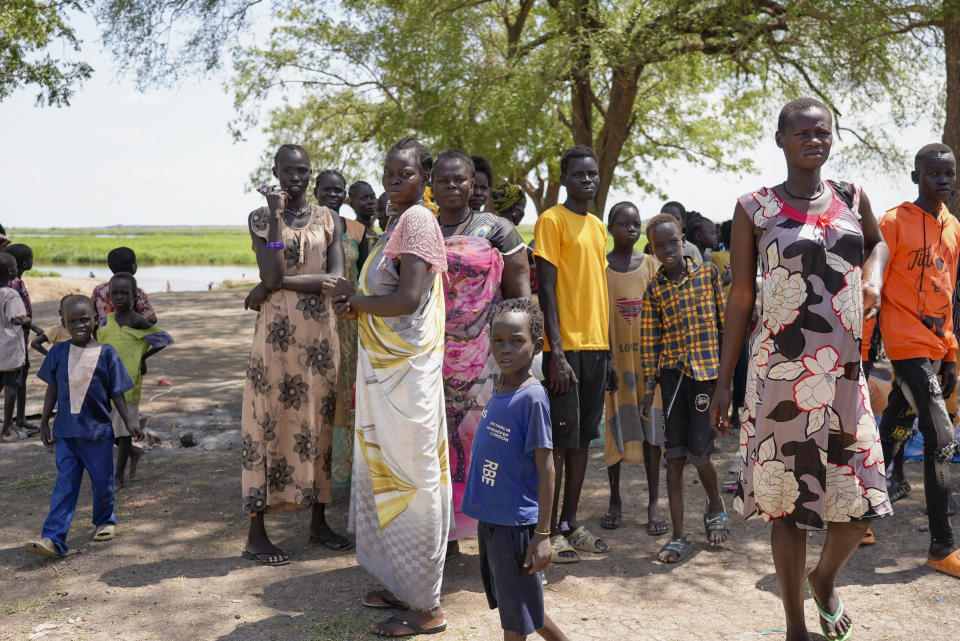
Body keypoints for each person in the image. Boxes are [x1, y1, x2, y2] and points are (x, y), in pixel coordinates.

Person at [708, 98, 892, 641]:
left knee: (859, 504)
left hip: (843, 374)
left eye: (824, 132)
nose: (815, 139)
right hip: (781, 377)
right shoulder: (754, 208)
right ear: (781, 139)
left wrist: (874, 276)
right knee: (787, 504)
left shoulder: (852, 197)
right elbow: (741, 298)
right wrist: (724, 382)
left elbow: (877, 245)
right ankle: (794, 629)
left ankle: (824, 579)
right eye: (803, 132)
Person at [322, 135, 449, 637]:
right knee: (392, 474)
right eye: (389, 173)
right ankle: (402, 584)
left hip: (406, 377)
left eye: (405, 174)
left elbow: (409, 299)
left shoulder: (418, 220)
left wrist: (354, 301)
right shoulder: (397, 222)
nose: (394, 181)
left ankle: (427, 606)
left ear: (424, 177)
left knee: (413, 481)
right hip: (388, 374)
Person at [240, 143, 347, 566]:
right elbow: (272, 272)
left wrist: (276, 285)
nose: (296, 178)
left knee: (318, 421)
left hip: (320, 336)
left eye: (303, 171)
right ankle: (256, 533)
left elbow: (336, 278)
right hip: (276, 335)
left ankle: (318, 520)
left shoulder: (329, 218)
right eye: (289, 171)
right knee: (266, 421)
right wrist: (277, 214)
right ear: (275, 172)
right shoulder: (261, 218)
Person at [432, 149, 530, 557]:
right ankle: (448, 539)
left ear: (473, 184)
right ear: (431, 186)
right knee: (438, 444)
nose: (452, 187)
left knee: (488, 443)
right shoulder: (421, 228)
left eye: (460, 180)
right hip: (431, 357)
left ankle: (492, 535)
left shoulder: (497, 229)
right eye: (443, 180)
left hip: (488, 359)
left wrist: (521, 357)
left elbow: (520, 291)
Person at [461, 298, 570, 641]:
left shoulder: (532, 398)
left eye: (516, 341)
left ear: (537, 346)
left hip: (516, 527)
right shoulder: (501, 386)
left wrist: (542, 535)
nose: (505, 349)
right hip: (494, 521)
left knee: (515, 620)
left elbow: (547, 467)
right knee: (525, 609)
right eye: (498, 341)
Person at [874, 143, 960, 577]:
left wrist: (951, 354)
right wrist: (863, 349)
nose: (943, 180)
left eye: (949, 173)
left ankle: (859, 513)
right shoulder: (893, 222)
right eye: (933, 174)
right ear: (916, 178)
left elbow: (950, 295)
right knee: (941, 436)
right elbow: (874, 282)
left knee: (896, 423)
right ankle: (942, 546)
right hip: (904, 341)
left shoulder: (954, 228)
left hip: (937, 344)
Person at [534, 144, 617, 563]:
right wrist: (557, 353)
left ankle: (571, 522)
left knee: (584, 441)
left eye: (593, 173)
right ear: (564, 179)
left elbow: (598, 293)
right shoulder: (551, 221)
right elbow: (545, 290)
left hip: (597, 349)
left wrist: (612, 355)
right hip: (565, 352)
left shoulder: (599, 228)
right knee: (561, 444)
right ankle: (547, 529)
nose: (588, 179)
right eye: (579, 174)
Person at [638, 213, 727, 563]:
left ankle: (715, 504)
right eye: (660, 245)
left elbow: (724, 327)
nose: (668, 250)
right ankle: (677, 535)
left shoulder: (707, 276)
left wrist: (727, 383)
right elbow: (650, 340)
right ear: (653, 248)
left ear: (682, 239)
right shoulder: (655, 289)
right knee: (673, 457)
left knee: (701, 455)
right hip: (672, 377)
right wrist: (648, 388)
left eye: (672, 241)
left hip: (705, 375)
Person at [25, 295, 137, 557]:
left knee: (102, 483)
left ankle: (105, 520)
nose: (79, 325)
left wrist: (129, 421)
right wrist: (44, 420)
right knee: (65, 485)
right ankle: (53, 538)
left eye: (85, 319)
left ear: (96, 319)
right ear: (63, 322)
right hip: (66, 434)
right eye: (72, 321)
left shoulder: (107, 354)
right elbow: (52, 389)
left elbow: (117, 392)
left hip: (98, 434)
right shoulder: (58, 352)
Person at [600, 202, 666, 535]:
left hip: (649, 362)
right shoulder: (601, 269)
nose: (631, 229)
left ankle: (654, 503)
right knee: (616, 429)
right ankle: (614, 499)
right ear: (610, 228)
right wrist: (607, 359)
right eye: (624, 224)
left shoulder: (652, 265)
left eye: (636, 224)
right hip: (616, 364)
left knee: (653, 431)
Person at [96, 273, 173, 487]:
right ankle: (132, 453)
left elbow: (163, 339)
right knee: (109, 431)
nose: (119, 297)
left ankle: (118, 476)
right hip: (105, 385)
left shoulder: (137, 320)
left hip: (128, 385)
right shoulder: (106, 320)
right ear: (109, 295)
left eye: (124, 293)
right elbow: (100, 344)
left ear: (133, 297)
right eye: (115, 293)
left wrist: (141, 357)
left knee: (124, 431)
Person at [321, 171, 361, 489]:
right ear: (317, 192)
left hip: (350, 323)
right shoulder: (306, 227)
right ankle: (316, 465)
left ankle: (342, 468)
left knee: (346, 388)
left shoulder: (356, 230)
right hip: (317, 319)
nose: (333, 194)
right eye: (327, 189)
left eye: (339, 190)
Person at [3, 244, 39, 433]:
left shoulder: (9, 283)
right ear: (24, 263)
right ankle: (17, 421)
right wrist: (33, 327)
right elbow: (18, 316)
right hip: (15, 342)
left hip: (12, 340)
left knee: (20, 380)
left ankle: (21, 419)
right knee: (16, 381)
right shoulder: (15, 284)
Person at [0, 253, 29, 441]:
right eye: (16, 266)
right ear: (11, 271)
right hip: (10, 350)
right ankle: (6, 430)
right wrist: (28, 320)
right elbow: (16, 319)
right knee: (11, 388)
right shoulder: (11, 294)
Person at [91, 248, 157, 326]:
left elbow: (93, 317)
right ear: (133, 267)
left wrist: (98, 336)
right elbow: (151, 319)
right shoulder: (136, 292)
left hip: (103, 336)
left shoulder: (98, 290)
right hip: (129, 336)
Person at [492, 184, 536, 296]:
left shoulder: (491, 227)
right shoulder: (508, 231)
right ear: (514, 209)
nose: (523, 213)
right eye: (523, 208)